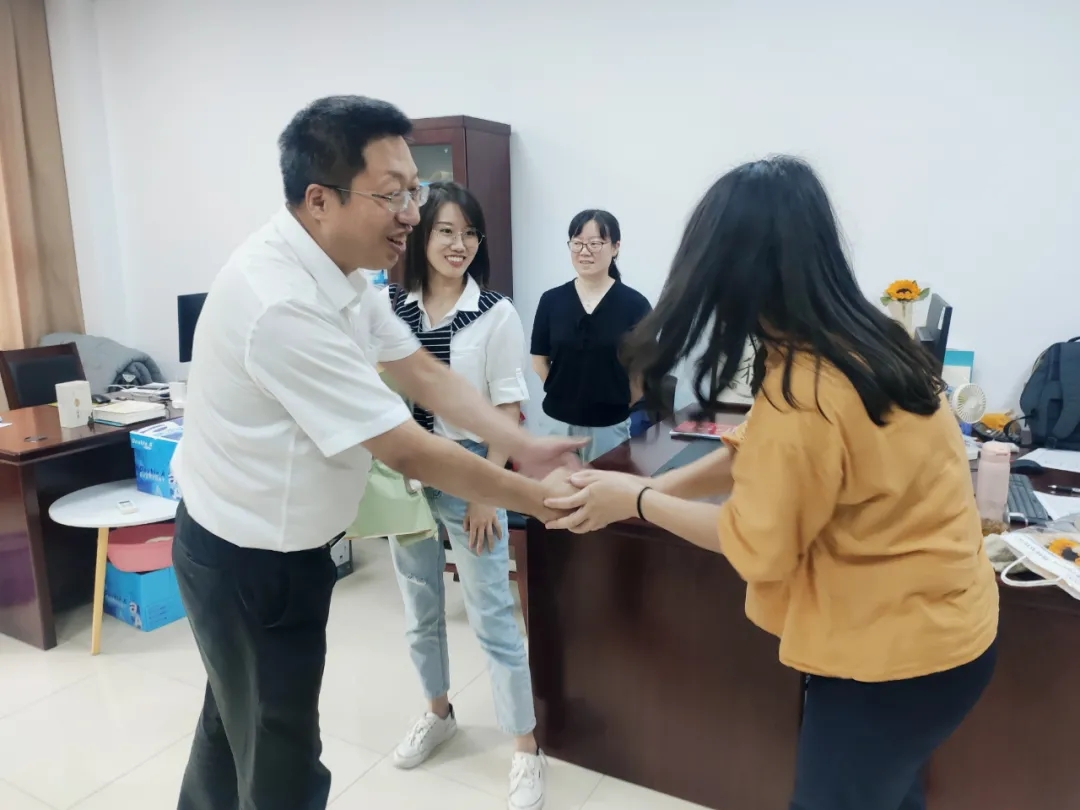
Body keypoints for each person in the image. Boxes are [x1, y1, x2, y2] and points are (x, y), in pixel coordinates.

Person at [544, 156, 1000, 810]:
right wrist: (654, 491)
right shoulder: (858, 339)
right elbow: (751, 450)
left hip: (894, 657)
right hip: (948, 632)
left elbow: (756, 543)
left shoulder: (808, 389)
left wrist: (636, 500)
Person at [169, 95, 579, 810]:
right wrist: (541, 500)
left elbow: (420, 370)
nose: (413, 215)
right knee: (280, 759)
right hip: (249, 558)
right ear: (319, 199)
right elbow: (405, 446)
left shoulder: (349, 277)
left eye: (414, 190)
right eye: (393, 195)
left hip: (280, 543)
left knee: (235, 729)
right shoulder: (282, 303)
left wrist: (521, 444)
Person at [382, 180, 546, 809]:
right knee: (419, 605)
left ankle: (526, 746)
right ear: (423, 234)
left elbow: (507, 408)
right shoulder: (392, 307)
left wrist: (487, 492)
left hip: (472, 469)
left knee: (493, 613)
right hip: (407, 476)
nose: (460, 244)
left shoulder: (496, 313)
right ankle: (438, 712)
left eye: (470, 233)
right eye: (447, 231)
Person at [530, 210, 651, 462]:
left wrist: (620, 402)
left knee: (606, 485)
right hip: (556, 424)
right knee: (555, 486)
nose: (584, 251)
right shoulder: (551, 300)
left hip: (609, 426)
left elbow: (643, 368)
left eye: (595, 243)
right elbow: (539, 360)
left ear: (615, 247)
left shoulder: (635, 304)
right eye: (577, 243)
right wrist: (564, 394)